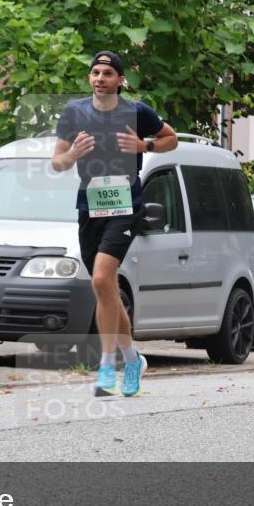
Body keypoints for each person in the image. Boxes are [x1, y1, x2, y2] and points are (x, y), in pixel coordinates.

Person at [51, 51, 178, 397]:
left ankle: (107, 364)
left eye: (108, 73)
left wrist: (145, 144)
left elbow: (172, 138)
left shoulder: (136, 111)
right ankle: (132, 358)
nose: (100, 78)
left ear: (120, 80)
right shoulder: (74, 113)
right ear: (89, 79)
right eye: (95, 72)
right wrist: (72, 155)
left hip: (125, 205)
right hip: (89, 205)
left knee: (103, 278)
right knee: (105, 290)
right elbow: (57, 163)